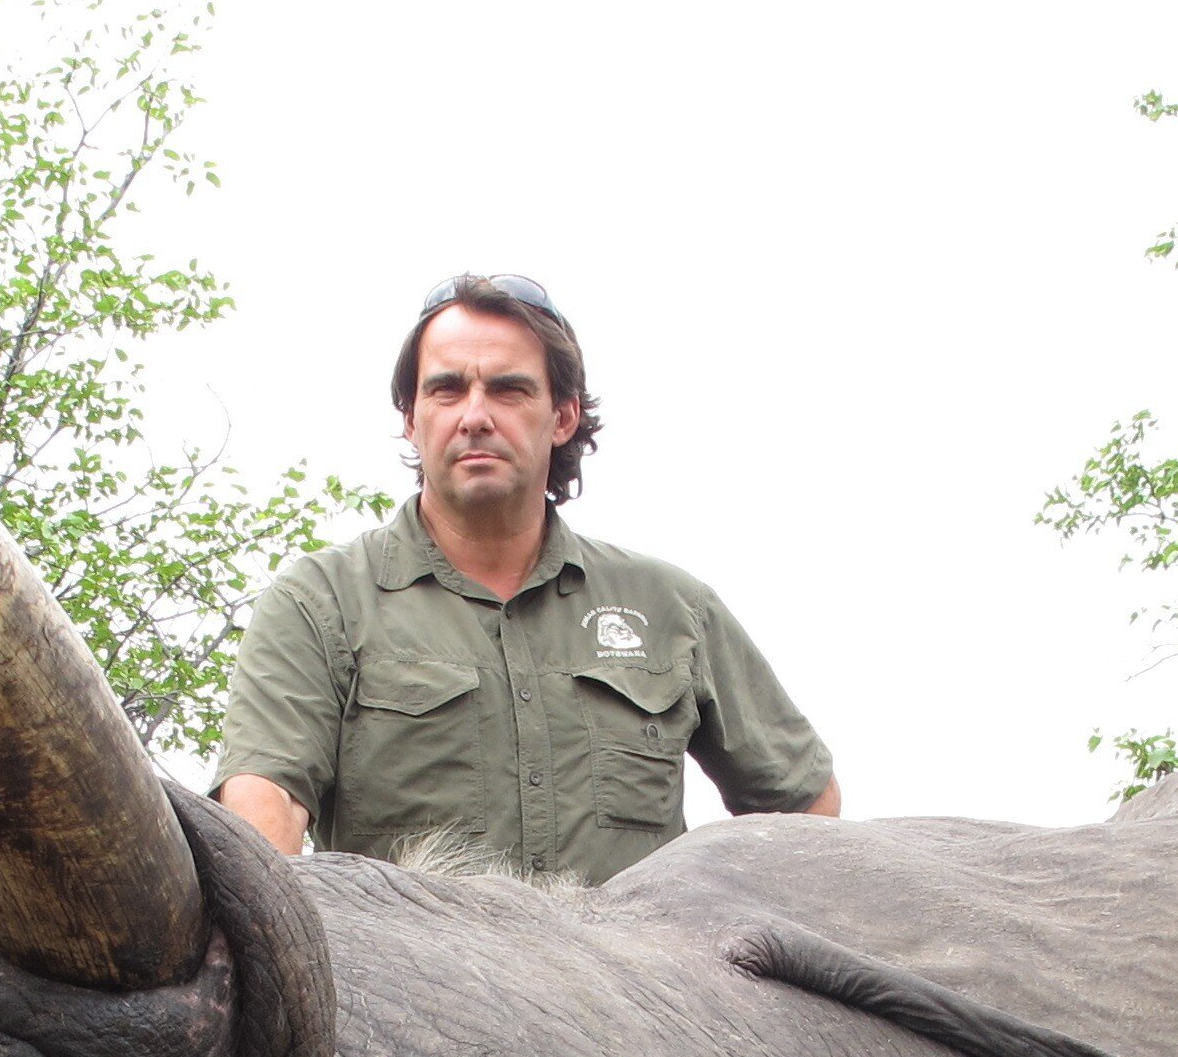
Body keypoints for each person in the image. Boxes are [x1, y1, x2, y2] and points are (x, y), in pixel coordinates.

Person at [212, 274, 839, 885]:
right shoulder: (320, 602)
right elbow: (264, 803)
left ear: (563, 416)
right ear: (411, 418)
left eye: (509, 390)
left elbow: (806, 804)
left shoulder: (673, 608)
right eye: (446, 390)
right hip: (418, 986)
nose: (475, 416)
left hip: (631, 989)